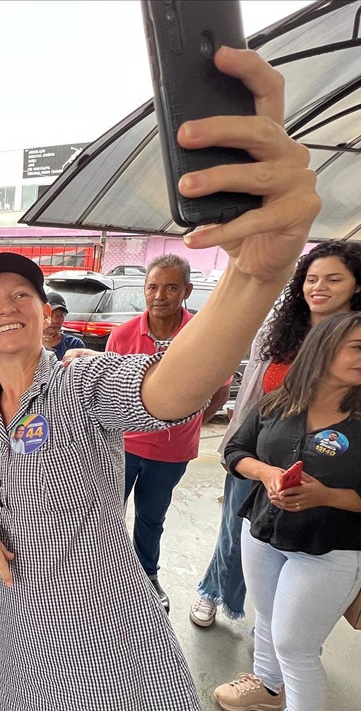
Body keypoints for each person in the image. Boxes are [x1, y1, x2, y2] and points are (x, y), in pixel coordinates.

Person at [0, 46, 319, 711]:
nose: (7, 305)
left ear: (45, 314)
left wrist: (252, 279)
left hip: (99, 659)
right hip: (18, 657)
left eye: (22, 294)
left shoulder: (82, 382)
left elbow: (170, 388)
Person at [215, 311, 361, 711]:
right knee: (267, 617)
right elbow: (234, 450)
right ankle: (268, 687)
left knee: (295, 643)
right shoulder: (278, 402)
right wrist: (266, 473)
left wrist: (328, 495)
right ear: (323, 348)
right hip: (264, 531)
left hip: (330, 549)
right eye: (358, 346)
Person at [191, 241, 361, 627]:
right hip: (262, 455)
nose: (318, 287)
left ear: (358, 285)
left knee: (308, 552)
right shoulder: (280, 334)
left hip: (330, 463)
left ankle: (293, 631)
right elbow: (252, 398)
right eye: (311, 279)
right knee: (237, 532)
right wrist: (239, 455)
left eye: (333, 278)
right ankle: (215, 592)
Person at [107, 254, 231, 611]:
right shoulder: (123, 335)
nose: (160, 295)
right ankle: (109, 575)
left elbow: (221, 389)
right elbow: (112, 388)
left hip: (170, 454)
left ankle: (146, 577)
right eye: (153, 286)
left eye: (171, 287)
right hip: (123, 447)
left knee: (151, 517)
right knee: (109, 514)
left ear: (187, 290)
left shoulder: (202, 336)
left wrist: (190, 424)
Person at [42, 290, 84, 360]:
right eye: (51, 315)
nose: (55, 320)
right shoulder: (31, 345)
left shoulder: (74, 345)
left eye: (60, 315)